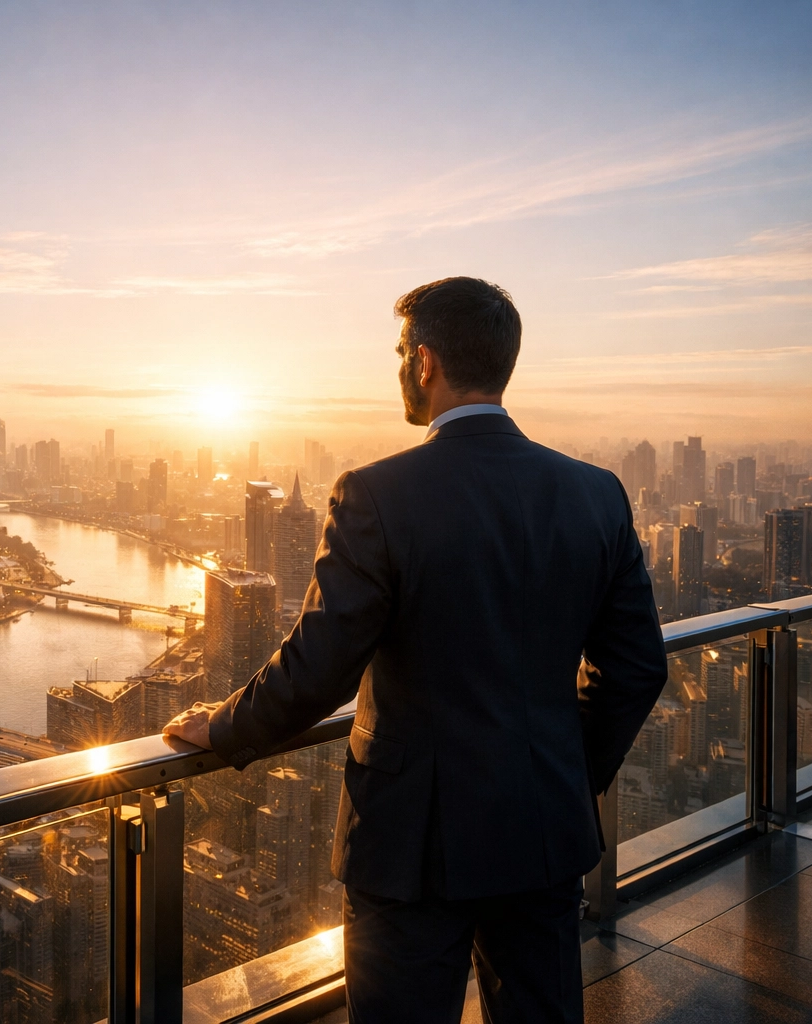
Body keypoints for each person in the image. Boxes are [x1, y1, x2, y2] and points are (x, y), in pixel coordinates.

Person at [163, 277, 666, 1024]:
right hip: (542, 829)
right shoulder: (595, 493)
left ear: (425, 363)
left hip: (412, 844)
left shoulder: (377, 494)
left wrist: (227, 725)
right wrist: (559, 768)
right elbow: (636, 667)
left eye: (402, 350)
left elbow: (320, 666)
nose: (398, 365)